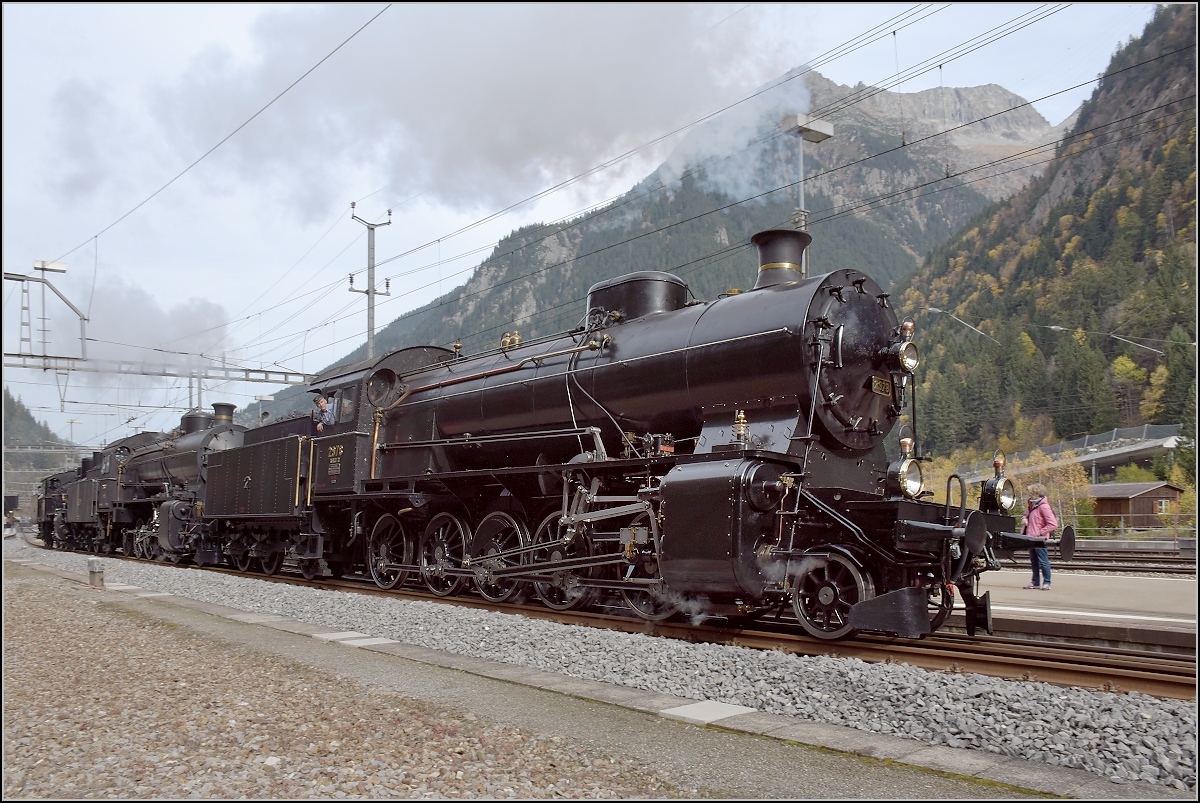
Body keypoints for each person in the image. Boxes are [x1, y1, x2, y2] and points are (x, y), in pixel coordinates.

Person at [1020, 482, 1058, 590]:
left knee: (1043, 561)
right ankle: (1035, 582)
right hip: (1031, 538)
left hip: (1039, 539)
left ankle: (1047, 582)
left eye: (1031, 493)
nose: (1029, 495)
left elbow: (1053, 524)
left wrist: (1040, 532)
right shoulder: (1031, 505)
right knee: (1034, 561)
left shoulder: (1043, 507)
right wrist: (1024, 519)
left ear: (1037, 493)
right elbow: (1025, 515)